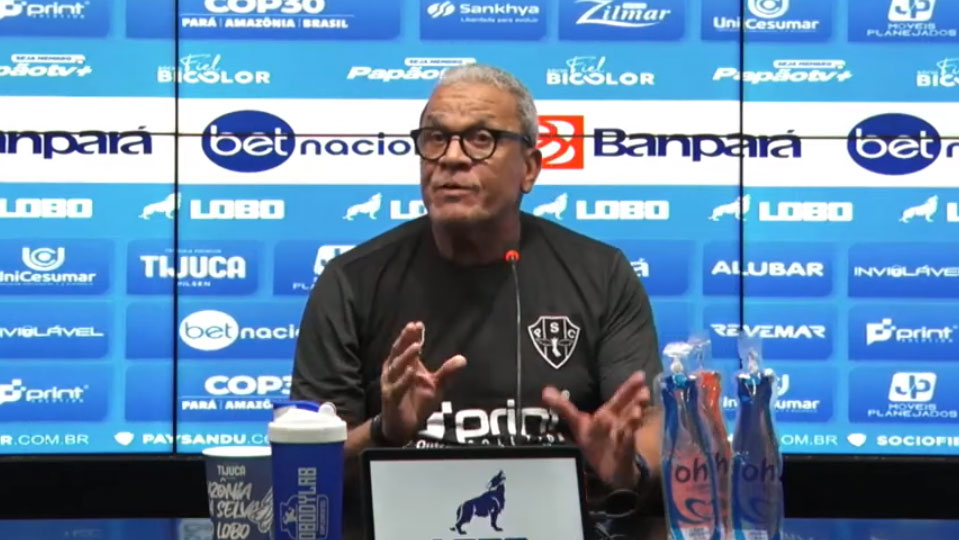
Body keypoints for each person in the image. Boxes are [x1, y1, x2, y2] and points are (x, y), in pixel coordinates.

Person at [290, 64, 663, 536]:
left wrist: (627, 467)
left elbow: (648, 429)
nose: (451, 157)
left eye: (481, 139)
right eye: (435, 138)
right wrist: (386, 429)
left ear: (530, 168)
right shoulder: (351, 281)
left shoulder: (601, 274)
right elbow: (308, 472)